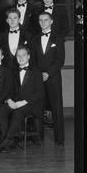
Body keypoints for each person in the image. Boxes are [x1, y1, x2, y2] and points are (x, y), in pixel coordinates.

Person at [0, 46, 44, 152]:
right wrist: (9, 100)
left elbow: (40, 93)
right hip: (16, 102)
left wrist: (24, 102)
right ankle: (9, 141)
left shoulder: (36, 71)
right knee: (1, 110)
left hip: (32, 104)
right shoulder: (13, 72)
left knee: (18, 112)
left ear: (29, 57)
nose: (21, 58)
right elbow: (9, 90)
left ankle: (6, 142)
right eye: (18, 55)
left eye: (23, 55)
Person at [31, 11, 65, 146]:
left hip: (53, 78)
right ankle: (39, 138)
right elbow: (32, 60)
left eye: (46, 20)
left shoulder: (58, 38)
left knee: (56, 108)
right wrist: (39, 74)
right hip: (38, 78)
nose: (43, 23)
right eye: (40, 20)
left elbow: (60, 60)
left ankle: (59, 138)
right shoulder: (34, 39)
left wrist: (48, 73)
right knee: (38, 107)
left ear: (51, 21)